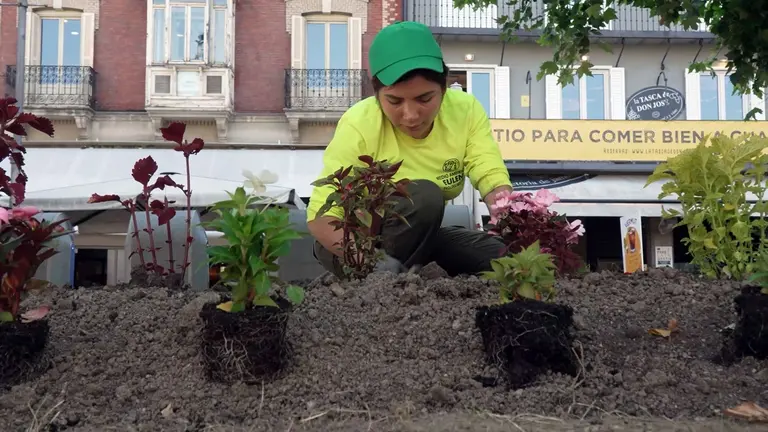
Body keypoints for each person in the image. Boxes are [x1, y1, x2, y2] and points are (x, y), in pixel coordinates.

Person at [306, 20, 513, 277]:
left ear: (445, 86)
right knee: (425, 195)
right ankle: (387, 286)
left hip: (419, 239)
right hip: (353, 245)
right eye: (394, 101)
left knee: (500, 256)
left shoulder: (465, 110)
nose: (411, 115)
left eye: (425, 98)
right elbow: (320, 217)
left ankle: (409, 273)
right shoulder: (359, 123)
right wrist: (372, 262)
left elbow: (489, 171)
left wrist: (512, 216)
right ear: (377, 94)